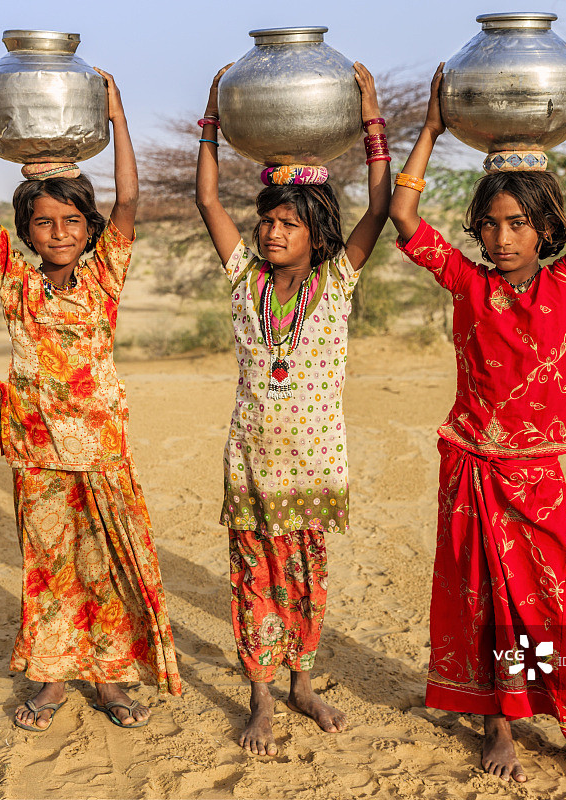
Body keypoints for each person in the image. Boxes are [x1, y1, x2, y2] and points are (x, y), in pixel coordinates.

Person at [388, 49, 566, 797]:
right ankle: (498, 721)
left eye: (518, 223)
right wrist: (428, 126)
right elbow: (402, 217)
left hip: (537, 479)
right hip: (473, 468)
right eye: (489, 225)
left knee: (552, 606)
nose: (501, 238)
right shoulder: (465, 282)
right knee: (483, 601)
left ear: (544, 224)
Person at [0, 63, 181, 731]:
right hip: (39, 451)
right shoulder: (15, 283)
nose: (59, 231)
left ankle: (111, 681)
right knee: (47, 564)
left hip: (103, 447)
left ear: (87, 225)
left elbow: (131, 203)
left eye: (71, 219)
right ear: (27, 232)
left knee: (110, 562)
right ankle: (52, 679)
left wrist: (115, 118)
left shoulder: (106, 277)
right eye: (45, 222)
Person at [196, 63, 391, 756]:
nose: (273, 233)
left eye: (288, 223)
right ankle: (259, 699)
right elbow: (208, 201)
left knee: (306, 580)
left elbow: (379, 207)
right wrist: (214, 121)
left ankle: (302, 683)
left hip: (310, 466)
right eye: (268, 221)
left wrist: (372, 122)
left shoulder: (337, 283)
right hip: (251, 462)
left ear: (316, 233)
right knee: (253, 581)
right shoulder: (243, 279)